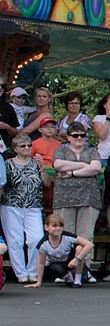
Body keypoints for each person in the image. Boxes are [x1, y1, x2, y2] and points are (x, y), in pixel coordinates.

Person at [1, 133, 48, 284]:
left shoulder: (35, 163)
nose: (27, 148)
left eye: (29, 145)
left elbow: (46, 183)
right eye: (23, 146)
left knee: (36, 238)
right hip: (11, 205)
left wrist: (42, 168)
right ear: (15, 148)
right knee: (16, 240)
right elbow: (2, 184)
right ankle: (21, 273)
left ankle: (33, 271)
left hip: (33, 206)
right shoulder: (8, 164)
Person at [52, 121, 103, 243]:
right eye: (75, 135)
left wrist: (71, 173)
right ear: (69, 137)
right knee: (64, 236)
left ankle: (83, 262)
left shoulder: (92, 151)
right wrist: (83, 165)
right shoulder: (61, 150)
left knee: (86, 237)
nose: (79, 138)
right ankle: (66, 262)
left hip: (88, 199)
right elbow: (58, 165)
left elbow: (95, 168)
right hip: (64, 199)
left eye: (82, 135)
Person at [33, 213, 93, 288]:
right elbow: (41, 263)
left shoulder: (67, 236)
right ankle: (68, 277)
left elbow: (89, 244)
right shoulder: (43, 243)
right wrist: (38, 282)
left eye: (60, 226)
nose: (58, 228)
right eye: (54, 226)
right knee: (54, 267)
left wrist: (77, 259)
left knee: (79, 248)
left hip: (71, 263)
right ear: (46, 227)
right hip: (56, 266)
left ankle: (78, 279)